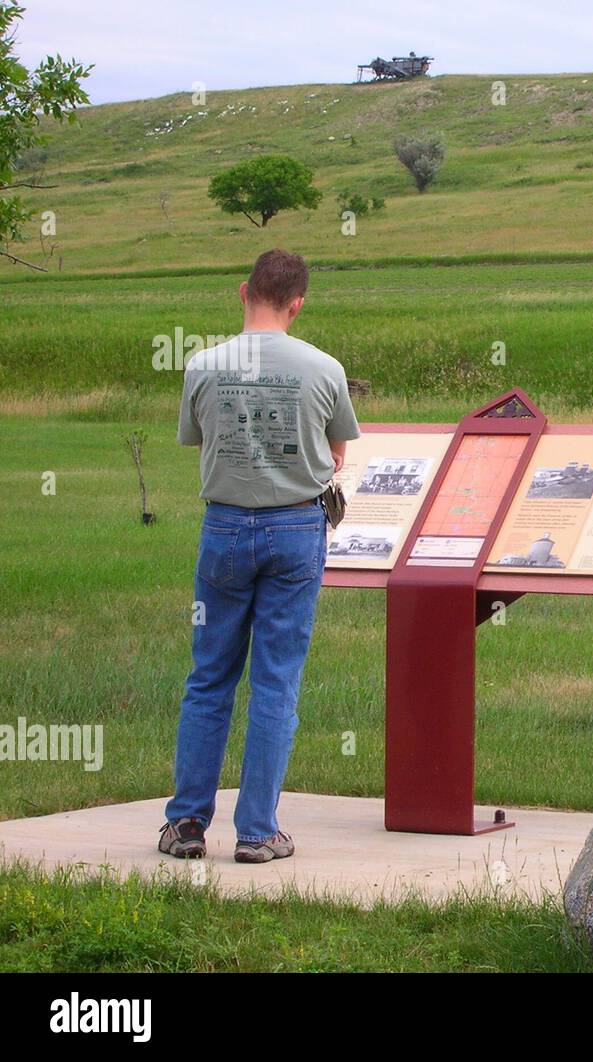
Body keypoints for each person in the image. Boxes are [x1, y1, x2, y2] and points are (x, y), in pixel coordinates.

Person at [159, 249, 360, 864]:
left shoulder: (204, 364)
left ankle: (187, 823)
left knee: (210, 674)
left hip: (223, 527)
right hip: (298, 530)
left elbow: (197, 437)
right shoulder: (324, 368)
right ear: (297, 304)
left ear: (242, 291)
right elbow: (338, 450)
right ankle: (257, 831)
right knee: (276, 679)